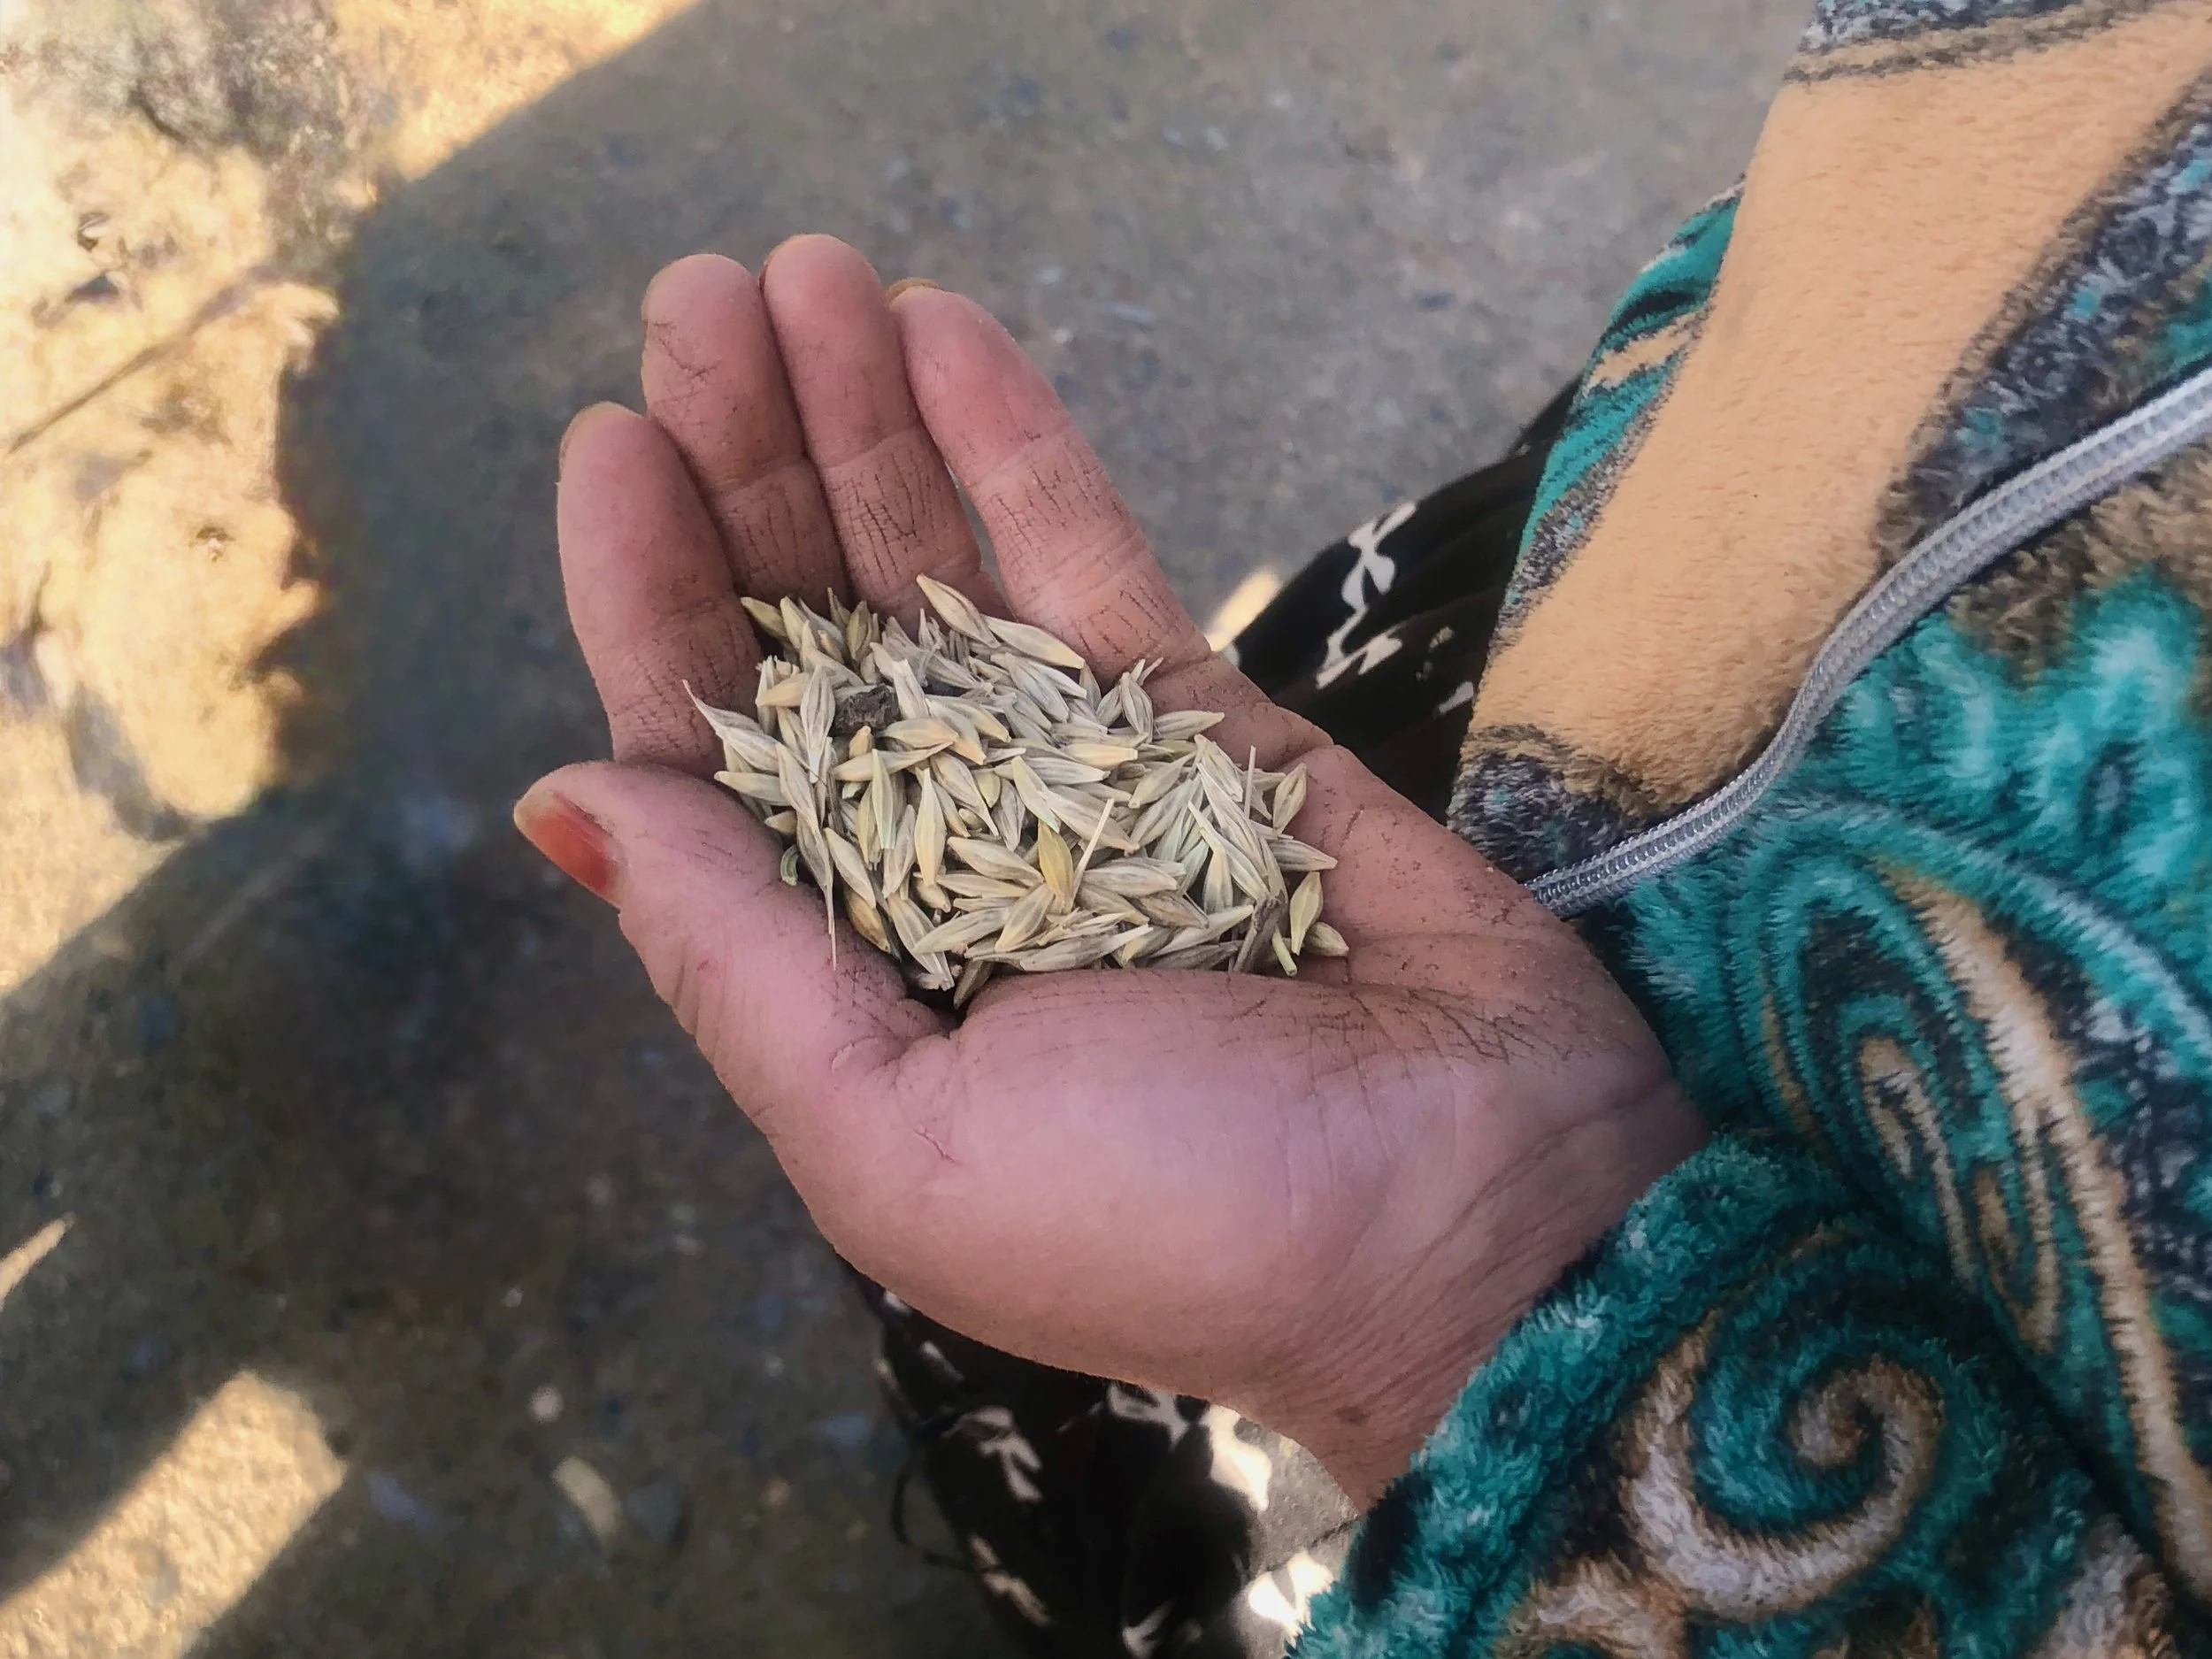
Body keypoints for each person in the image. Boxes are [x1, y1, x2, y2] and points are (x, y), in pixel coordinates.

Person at [513, 2, 2212, 1650]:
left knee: (1121, 1432)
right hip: (1629, 580)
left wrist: (1467, 1311)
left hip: (1564, 1440)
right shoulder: (1182, 815)